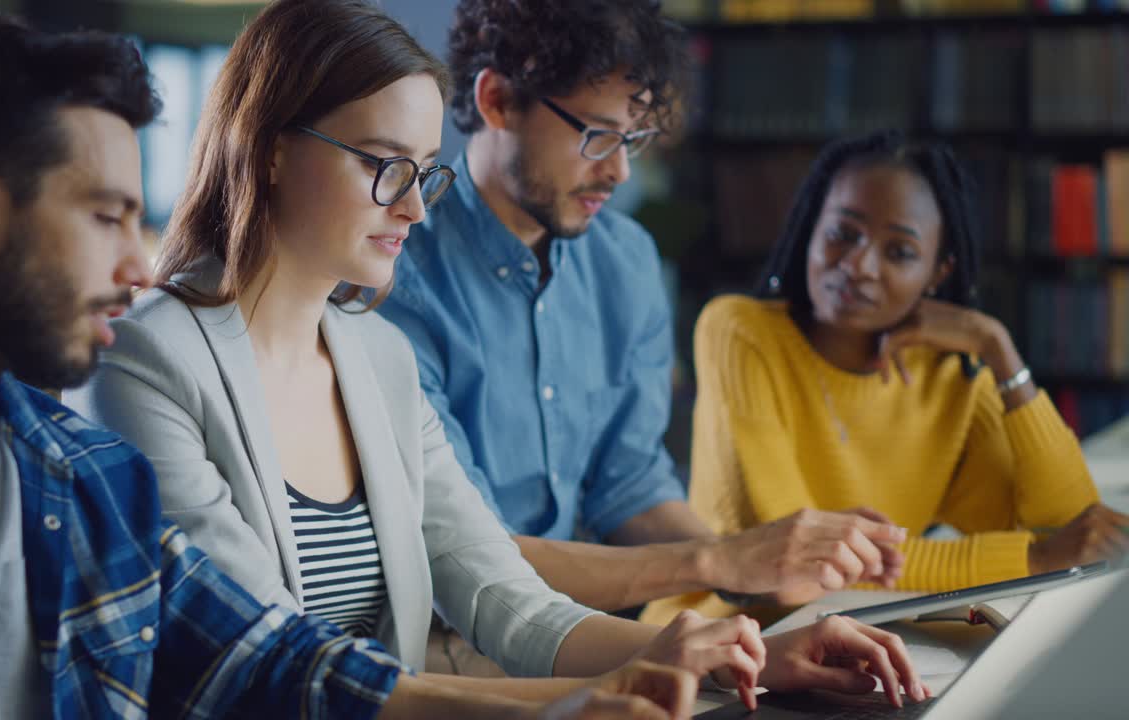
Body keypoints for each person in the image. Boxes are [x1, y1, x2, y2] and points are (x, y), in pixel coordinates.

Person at [67, 0, 930, 711]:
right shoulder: (146, 363)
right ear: (271, 150)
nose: (412, 206)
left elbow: (498, 593)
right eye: (382, 165)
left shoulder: (378, 355)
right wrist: (564, 705)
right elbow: (281, 662)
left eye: (424, 172)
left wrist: (745, 654)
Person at [0, 16, 708, 720]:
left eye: (422, 174)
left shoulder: (75, 472)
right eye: (105, 216)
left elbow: (268, 659)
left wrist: (662, 676)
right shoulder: (138, 376)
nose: (135, 266)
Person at [374, 0, 905, 632]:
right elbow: (471, 559)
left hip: (577, 626)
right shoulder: (392, 277)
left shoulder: (624, 261)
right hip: (441, 639)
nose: (619, 170)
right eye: (596, 135)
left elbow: (627, 485)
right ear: (496, 101)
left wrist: (779, 584)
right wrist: (722, 563)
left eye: (633, 139)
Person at [641, 130, 1129, 624]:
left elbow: (1072, 532)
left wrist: (997, 349)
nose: (859, 266)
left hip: (852, 648)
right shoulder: (740, 333)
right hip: (706, 649)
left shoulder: (951, 381)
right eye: (843, 233)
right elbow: (796, 565)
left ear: (938, 273)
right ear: (812, 226)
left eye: (899, 252)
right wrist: (1034, 562)